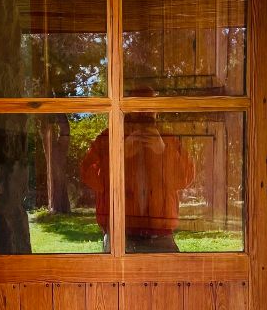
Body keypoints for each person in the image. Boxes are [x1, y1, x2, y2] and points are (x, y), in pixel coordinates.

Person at [81, 93, 195, 253]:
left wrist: (164, 151)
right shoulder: (108, 137)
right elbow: (90, 177)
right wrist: (120, 153)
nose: (145, 113)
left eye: (150, 108)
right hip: (118, 233)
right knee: (116, 279)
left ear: (157, 111)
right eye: (139, 107)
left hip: (161, 234)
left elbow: (184, 179)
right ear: (128, 108)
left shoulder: (168, 139)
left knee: (166, 278)